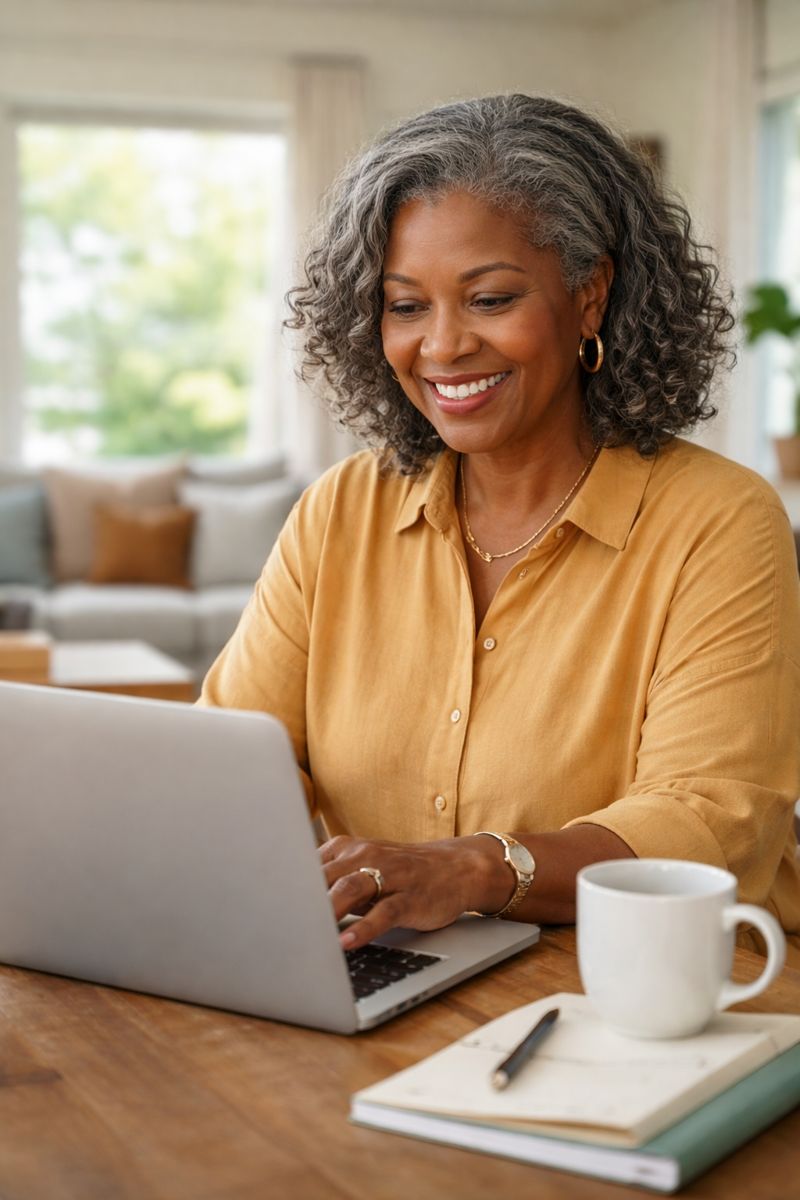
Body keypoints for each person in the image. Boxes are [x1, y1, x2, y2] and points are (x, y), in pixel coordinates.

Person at [199, 94, 800, 964]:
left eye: (489, 299)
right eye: (406, 307)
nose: (442, 347)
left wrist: (477, 870)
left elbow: (711, 820)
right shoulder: (342, 511)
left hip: (659, 992)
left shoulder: (719, 521)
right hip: (392, 973)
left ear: (589, 296)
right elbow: (234, 757)